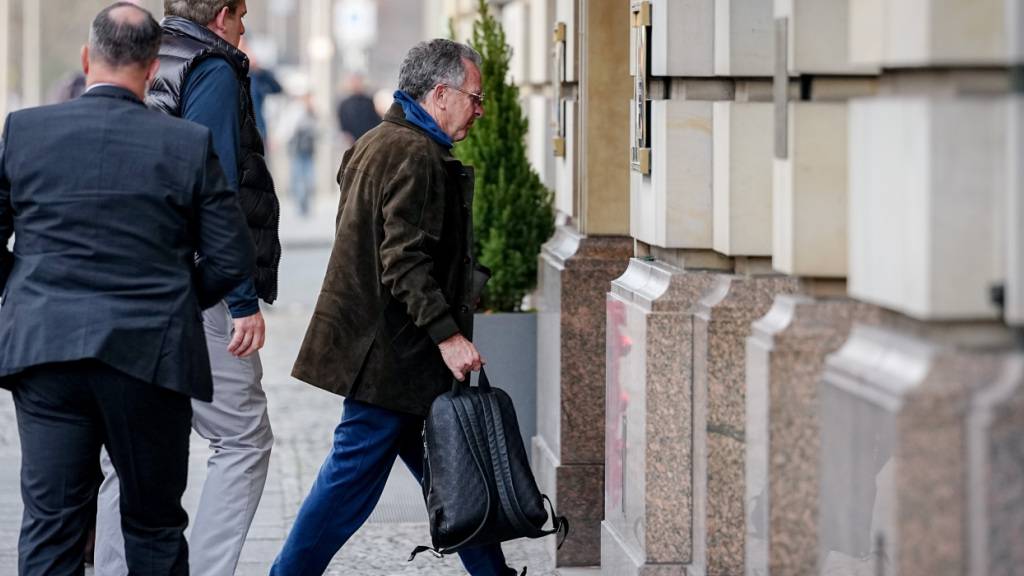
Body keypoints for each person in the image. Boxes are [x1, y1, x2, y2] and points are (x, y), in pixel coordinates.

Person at [0, 3, 255, 574]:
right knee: (154, 527)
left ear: (86, 59)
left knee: (51, 526)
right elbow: (231, 255)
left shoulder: (25, 131)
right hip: (150, 354)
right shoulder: (186, 143)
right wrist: (178, 298)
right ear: (151, 67)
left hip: (47, 353)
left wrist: (26, 287)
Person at [272, 39, 516, 576]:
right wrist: (449, 335)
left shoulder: (377, 141)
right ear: (441, 94)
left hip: (390, 353)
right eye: (475, 98)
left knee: (455, 474)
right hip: (389, 359)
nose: (480, 110)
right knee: (349, 484)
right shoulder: (415, 154)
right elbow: (402, 261)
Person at [94, 1, 281, 575]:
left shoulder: (145, 56)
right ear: (222, 15)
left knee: (123, 449)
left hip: (131, 277)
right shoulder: (211, 67)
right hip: (199, 286)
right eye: (242, 15)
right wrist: (242, 299)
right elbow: (216, 189)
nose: (243, 28)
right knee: (242, 438)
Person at [287, 94, 317, 217]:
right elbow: (289, 129)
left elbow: (316, 129)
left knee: (308, 178)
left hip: (308, 151)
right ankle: (301, 205)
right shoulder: (296, 111)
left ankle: (305, 204)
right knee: (299, 178)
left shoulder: (311, 112)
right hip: (297, 150)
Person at [335, 73, 381, 144]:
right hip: (352, 140)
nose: (356, 85)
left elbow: (376, 120)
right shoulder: (344, 104)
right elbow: (342, 122)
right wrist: (346, 135)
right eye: (353, 82)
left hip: (368, 139)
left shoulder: (369, 101)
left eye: (357, 82)